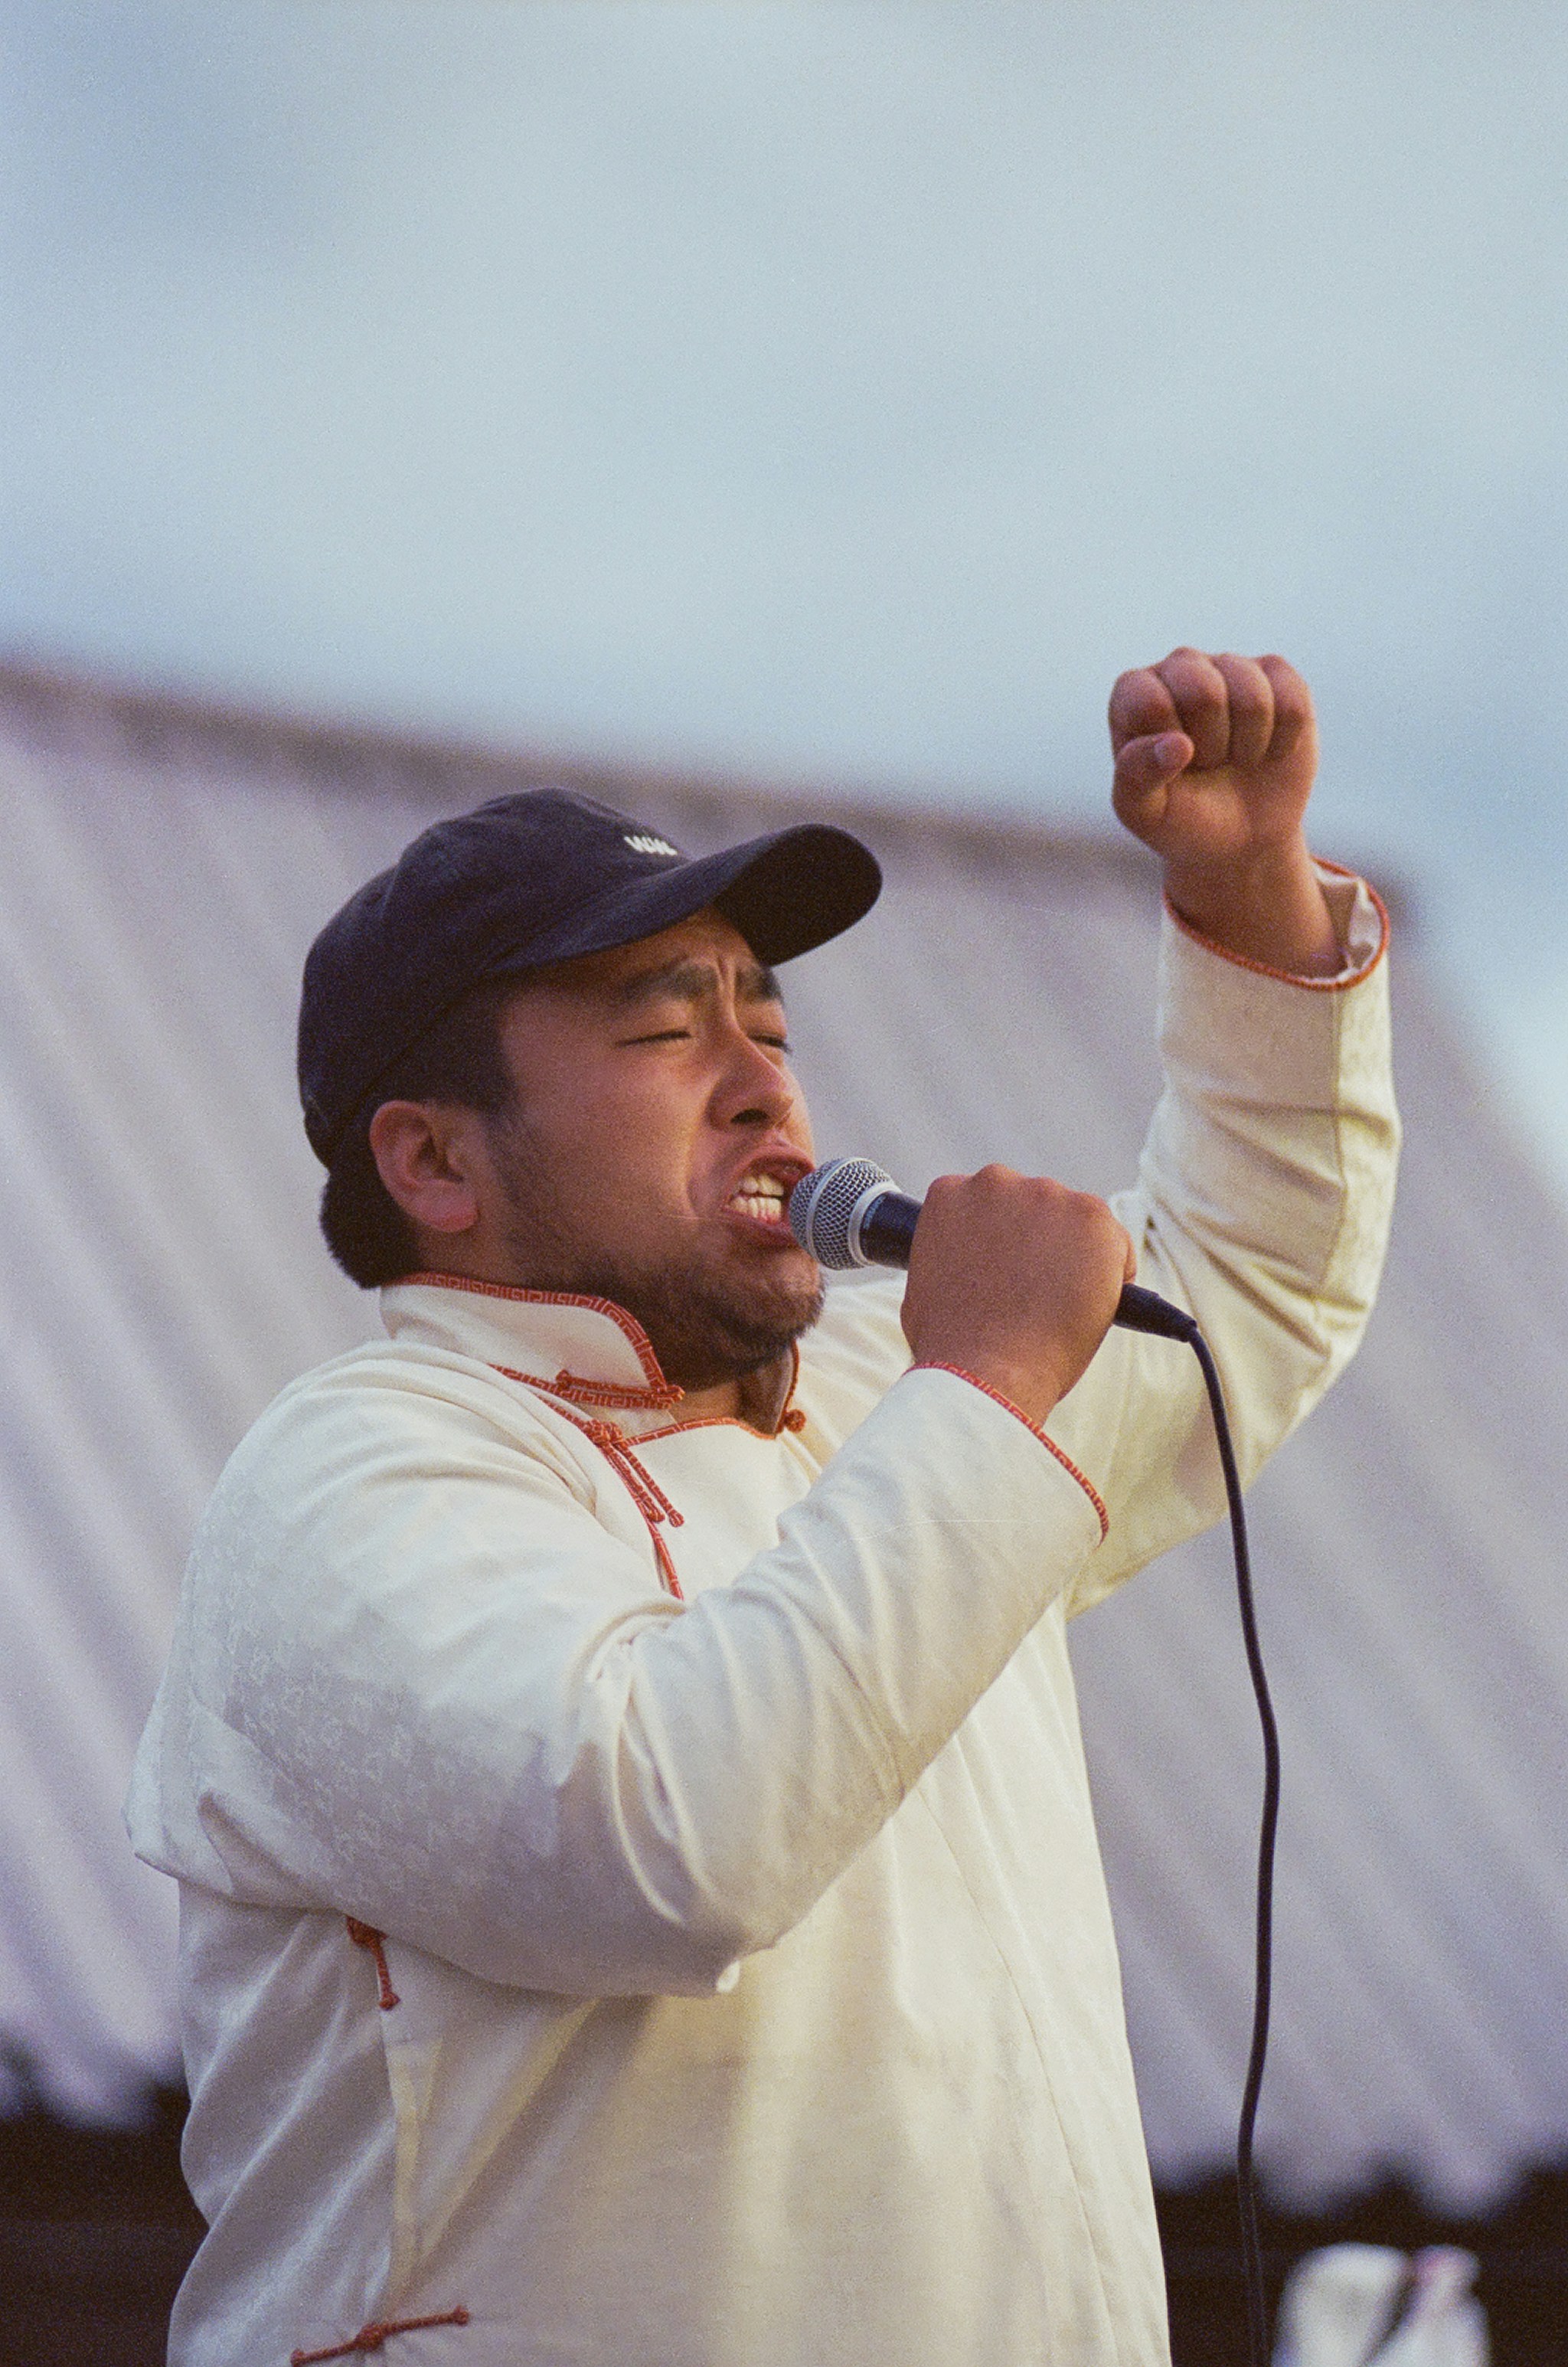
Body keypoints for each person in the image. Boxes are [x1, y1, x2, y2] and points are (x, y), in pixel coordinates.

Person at [128, 648, 1398, 2367]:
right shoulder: (347, 1475)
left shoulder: (893, 1393)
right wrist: (982, 1393)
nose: (765, 1081)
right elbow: (662, 1841)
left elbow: (1246, 1274)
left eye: (771, 1022)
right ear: (432, 1162)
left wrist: (1248, 898)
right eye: (666, 1026)